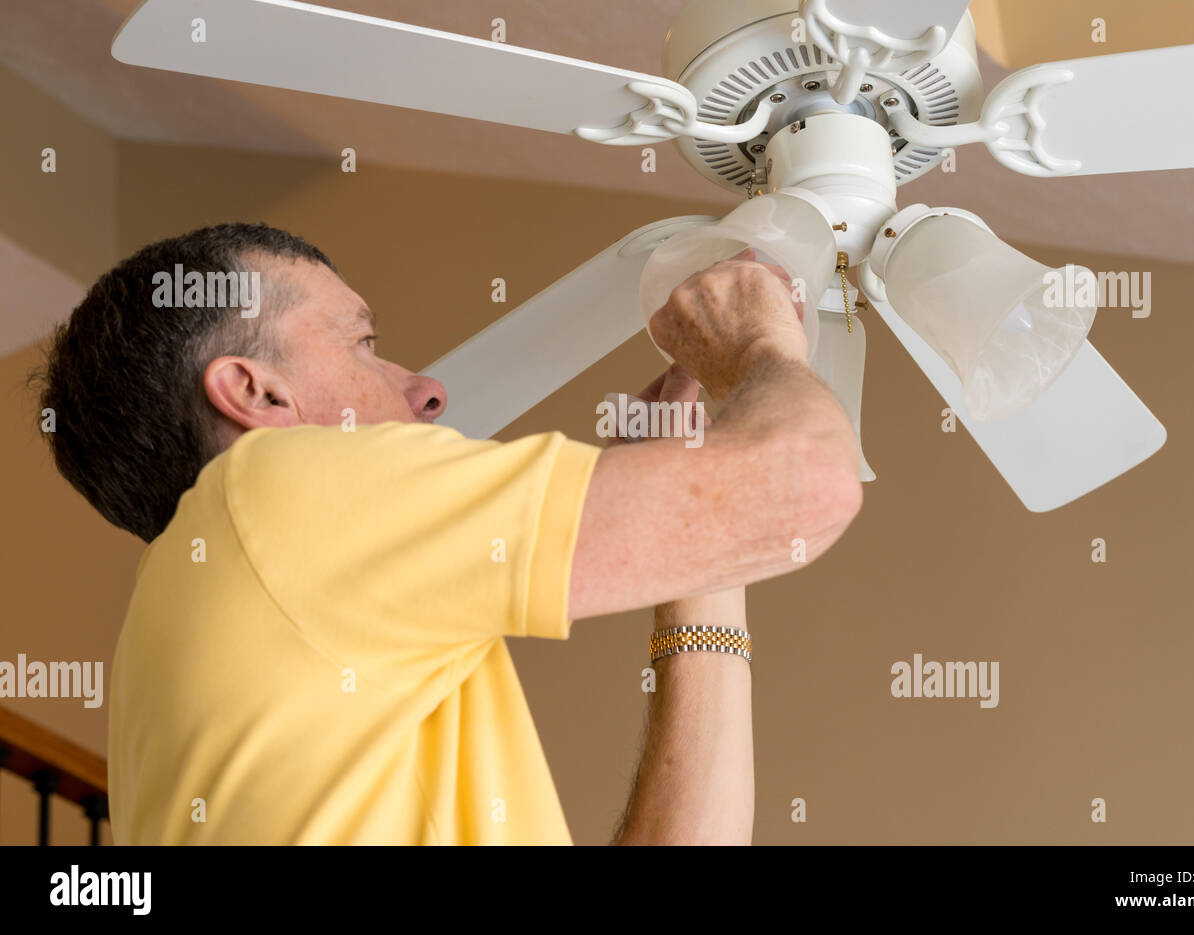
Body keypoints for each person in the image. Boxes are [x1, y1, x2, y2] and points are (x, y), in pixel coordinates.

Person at [34, 222, 862, 845]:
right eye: (364, 342)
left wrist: (703, 557)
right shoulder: (273, 490)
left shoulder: (250, 607)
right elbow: (810, 483)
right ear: (256, 393)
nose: (428, 390)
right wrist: (760, 345)